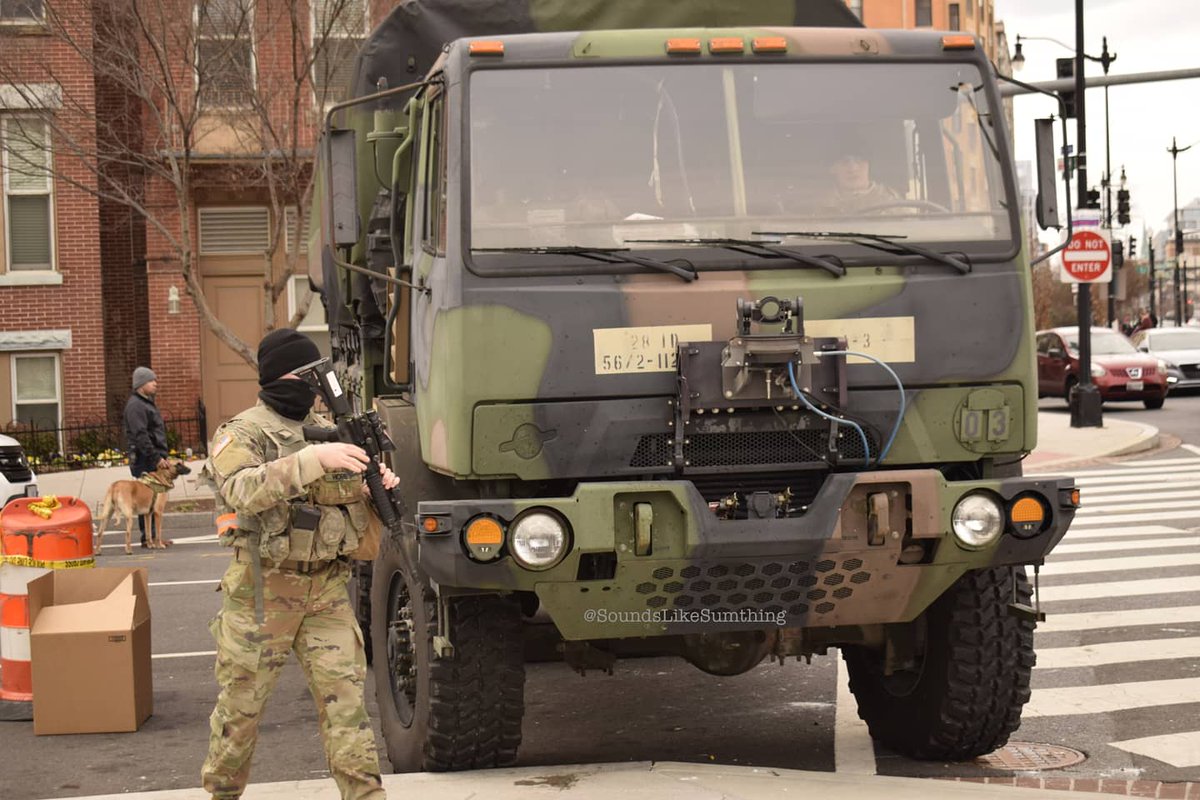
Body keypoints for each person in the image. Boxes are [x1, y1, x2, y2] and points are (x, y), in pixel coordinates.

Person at [200, 329, 393, 800]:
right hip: (262, 593)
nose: (310, 387)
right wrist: (311, 460)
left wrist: (371, 489)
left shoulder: (336, 430)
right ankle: (222, 794)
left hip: (326, 589)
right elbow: (241, 490)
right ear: (275, 377)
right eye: (300, 375)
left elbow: (353, 523)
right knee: (241, 709)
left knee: (347, 705)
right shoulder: (242, 432)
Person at [124, 366, 168, 548]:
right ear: (141, 385)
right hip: (145, 458)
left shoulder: (146, 403)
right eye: (151, 381)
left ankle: (155, 537)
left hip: (151, 456)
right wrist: (156, 457)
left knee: (154, 498)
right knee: (146, 498)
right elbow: (141, 435)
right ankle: (146, 538)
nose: (155, 383)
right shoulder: (136, 406)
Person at [820, 144, 900, 213]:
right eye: (845, 162)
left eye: (860, 161)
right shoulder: (821, 204)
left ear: (869, 165)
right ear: (832, 168)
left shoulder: (890, 201)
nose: (853, 169)